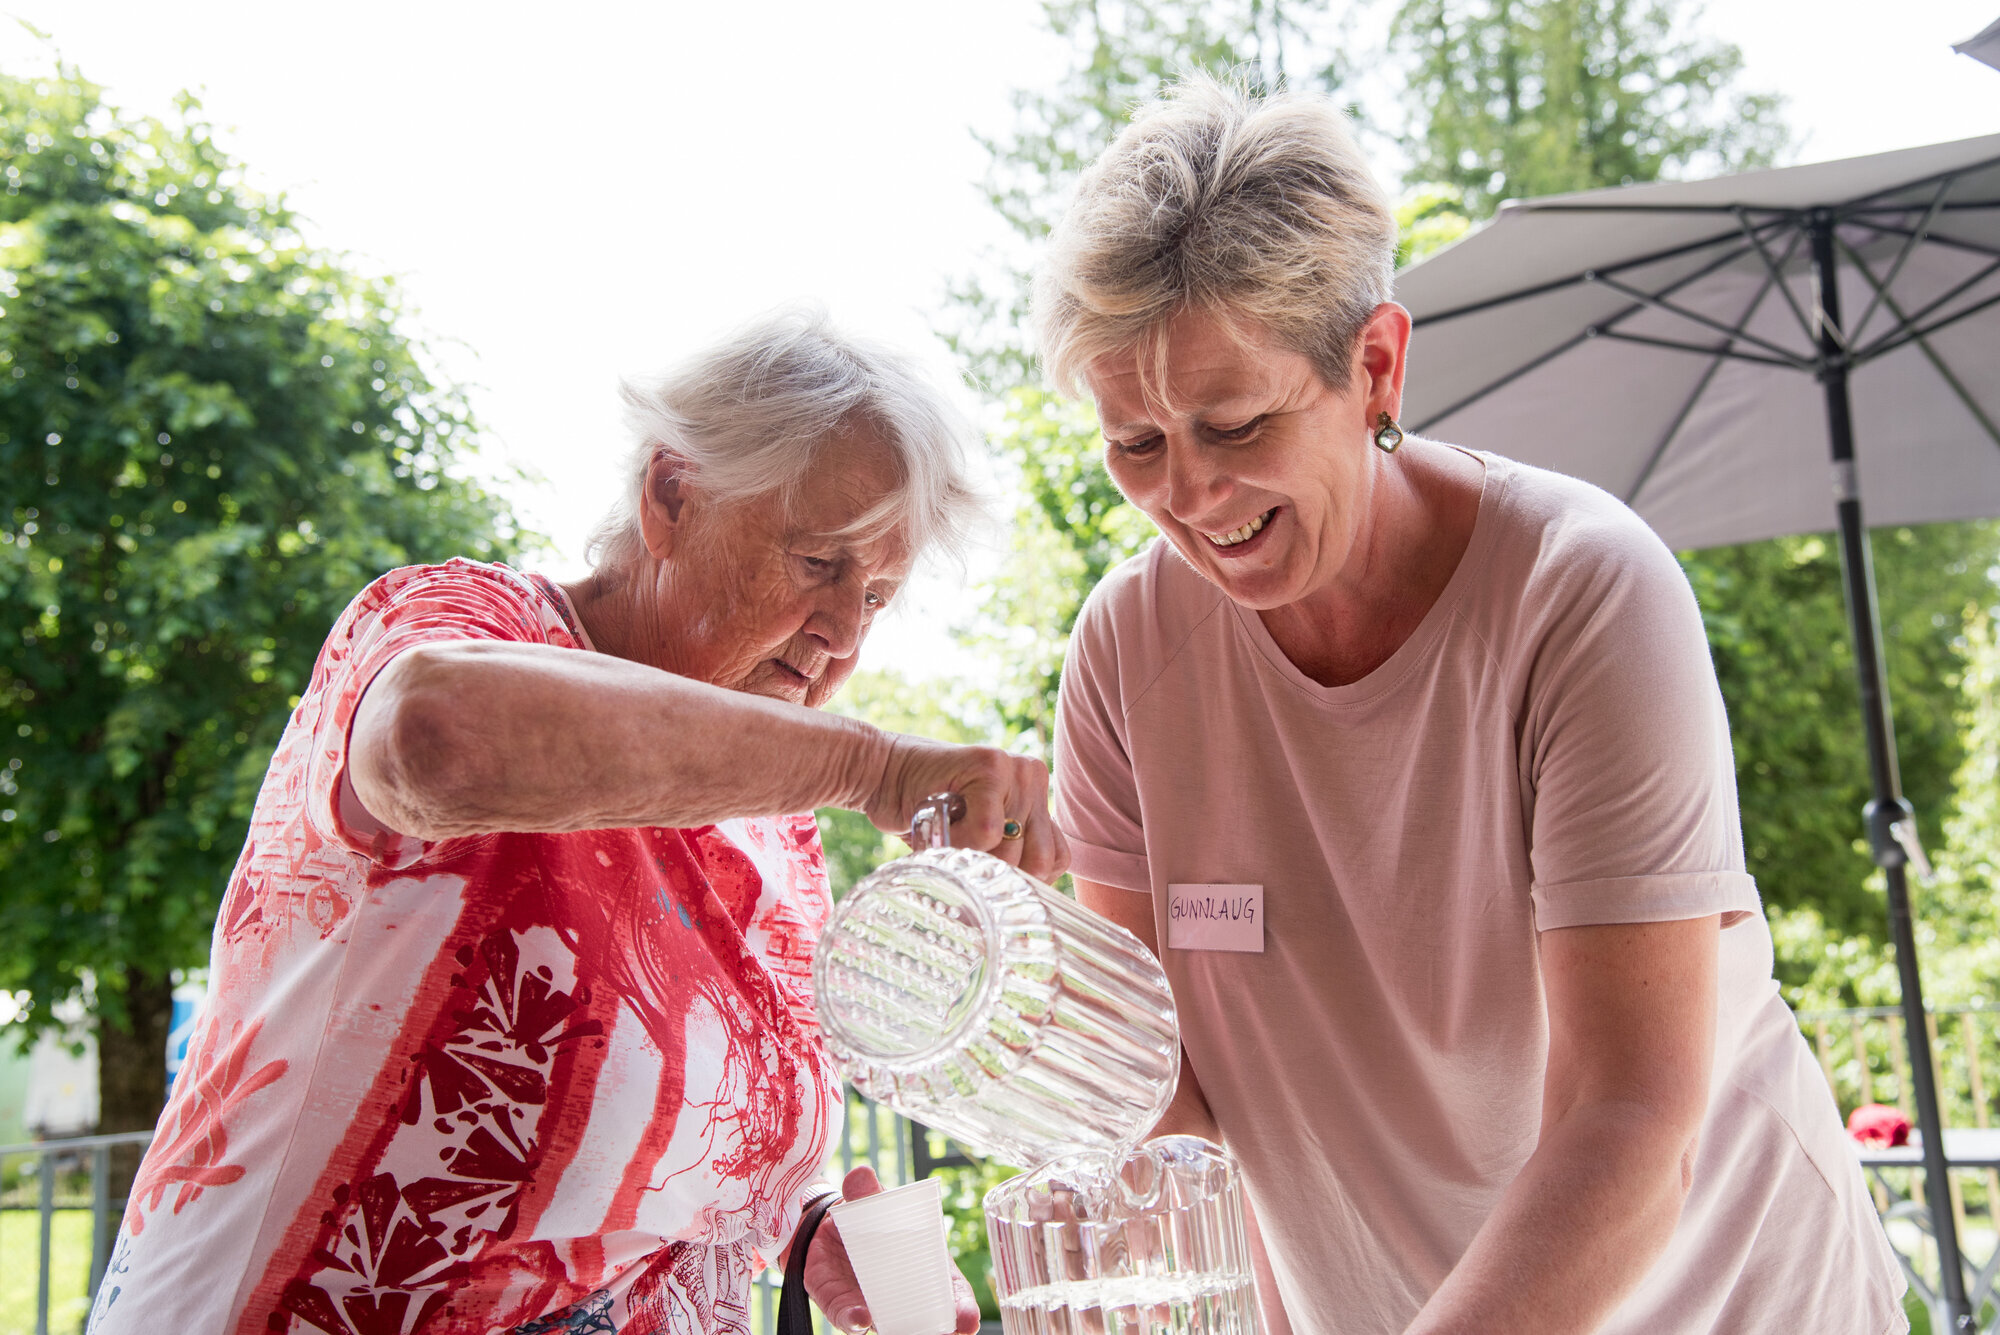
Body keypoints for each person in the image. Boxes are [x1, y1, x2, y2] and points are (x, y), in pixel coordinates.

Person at [1040, 78, 1907, 1334]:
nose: (1191, 496)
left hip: (1727, 1300)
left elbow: (1627, 1118)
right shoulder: (1126, 654)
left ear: (1375, 365)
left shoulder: (1579, 591)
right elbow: (1151, 1085)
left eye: (1233, 422)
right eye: (1134, 444)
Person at [88, 309, 1066, 1335]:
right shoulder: (462, 628)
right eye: (819, 564)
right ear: (669, 494)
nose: (839, 634)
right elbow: (437, 736)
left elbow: (701, 1153)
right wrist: (871, 766)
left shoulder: (780, 827)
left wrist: (810, 1230)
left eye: (876, 597)